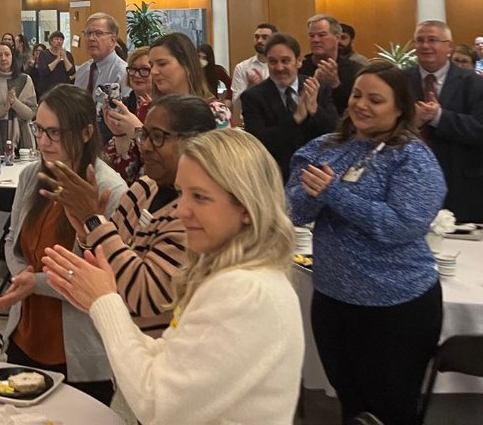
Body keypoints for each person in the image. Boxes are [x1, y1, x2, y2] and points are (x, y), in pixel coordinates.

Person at [42, 129, 303, 424]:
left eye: (200, 197)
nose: (181, 211)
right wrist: (99, 299)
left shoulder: (245, 291)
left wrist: (105, 302)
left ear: (246, 206)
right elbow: (170, 355)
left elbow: (156, 405)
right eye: (182, 194)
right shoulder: (233, 277)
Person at [287, 62, 447, 425]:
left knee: (392, 409)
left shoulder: (412, 156)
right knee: (351, 404)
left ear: (400, 109)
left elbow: (398, 226)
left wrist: (334, 193)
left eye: (375, 100)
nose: (361, 105)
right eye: (357, 95)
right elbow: (294, 210)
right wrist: (316, 197)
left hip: (396, 305)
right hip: (332, 300)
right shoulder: (324, 147)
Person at [0, 85, 128, 404]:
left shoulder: (109, 191)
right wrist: (22, 277)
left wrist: (35, 283)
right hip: (25, 335)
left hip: (78, 351)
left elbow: (101, 277)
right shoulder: (31, 175)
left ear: (85, 133)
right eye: (38, 129)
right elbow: (13, 240)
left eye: (53, 132)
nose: (42, 141)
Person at [41, 94, 217, 336]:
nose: (144, 146)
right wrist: (86, 232)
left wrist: (93, 220)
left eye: (158, 137)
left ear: (196, 142)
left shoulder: (194, 214)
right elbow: (104, 271)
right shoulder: (143, 188)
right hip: (122, 346)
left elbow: (143, 296)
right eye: (144, 134)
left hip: (164, 353)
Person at [405, 20, 483, 226]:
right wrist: (411, 122)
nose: (425, 46)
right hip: (409, 188)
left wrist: (439, 117)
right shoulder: (399, 81)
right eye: (419, 40)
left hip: (463, 189)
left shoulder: (476, 84)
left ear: (448, 46)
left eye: (432, 40)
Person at [240, 32, 337, 178]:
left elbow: (336, 132)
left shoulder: (318, 88)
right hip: (275, 175)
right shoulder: (253, 97)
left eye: (285, 61)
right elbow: (258, 143)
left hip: (317, 173)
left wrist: (315, 110)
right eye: (273, 62)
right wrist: (296, 118)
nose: (279, 68)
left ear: (299, 61)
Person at [143, 33, 228, 129]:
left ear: (187, 65)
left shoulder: (216, 112)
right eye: (151, 66)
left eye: (162, 64)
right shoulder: (152, 110)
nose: (154, 72)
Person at [98, 45, 154, 184]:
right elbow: (120, 170)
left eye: (144, 70)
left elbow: (162, 161)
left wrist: (137, 132)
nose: (135, 74)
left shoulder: (166, 112)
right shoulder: (124, 106)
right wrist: (119, 134)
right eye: (132, 69)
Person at [299, 14, 361, 116]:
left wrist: (335, 85)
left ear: (337, 37)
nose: (315, 40)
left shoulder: (354, 70)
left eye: (322, 35)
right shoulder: (300, 67)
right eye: (311, 36)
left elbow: (354, 108)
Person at [74, 13, 129, 110]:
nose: (91, 38)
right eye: (88, 33)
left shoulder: (122, 72)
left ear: (112, 40)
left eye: (98, 33)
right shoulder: (83, 70)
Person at [229, 23, 275, 109]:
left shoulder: (281, 67)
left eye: (265, 37)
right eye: (257, 37)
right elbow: (236, 104)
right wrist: (250, 89)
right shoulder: (242, 67)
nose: (259, 41)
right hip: (251, 119)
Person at [35, 30, 77, 97]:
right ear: (51, 41)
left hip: (64, 90)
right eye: (56, 39)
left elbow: (71, 72)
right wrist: (58, 59)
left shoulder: (68, 54)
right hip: (47, 89)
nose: (59, 41)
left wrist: (65, 58)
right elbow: (43, 71)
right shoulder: (44, 54)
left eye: (61, 40)